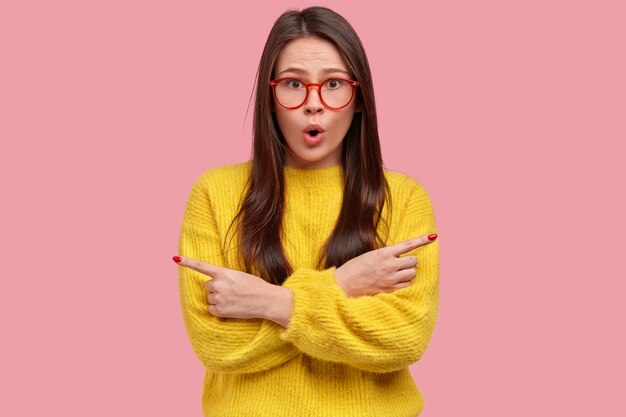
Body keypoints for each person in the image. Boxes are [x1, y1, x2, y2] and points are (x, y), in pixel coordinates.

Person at [173, 6, 439, 417]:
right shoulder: (215, 192)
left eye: (333, 84)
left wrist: (269, 302)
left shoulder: (403, 198)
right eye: (294, 83)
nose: (313, 104)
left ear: (359, 99)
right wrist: (346, 285)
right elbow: (215, 345)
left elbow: (405, 337)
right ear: (271, 96)